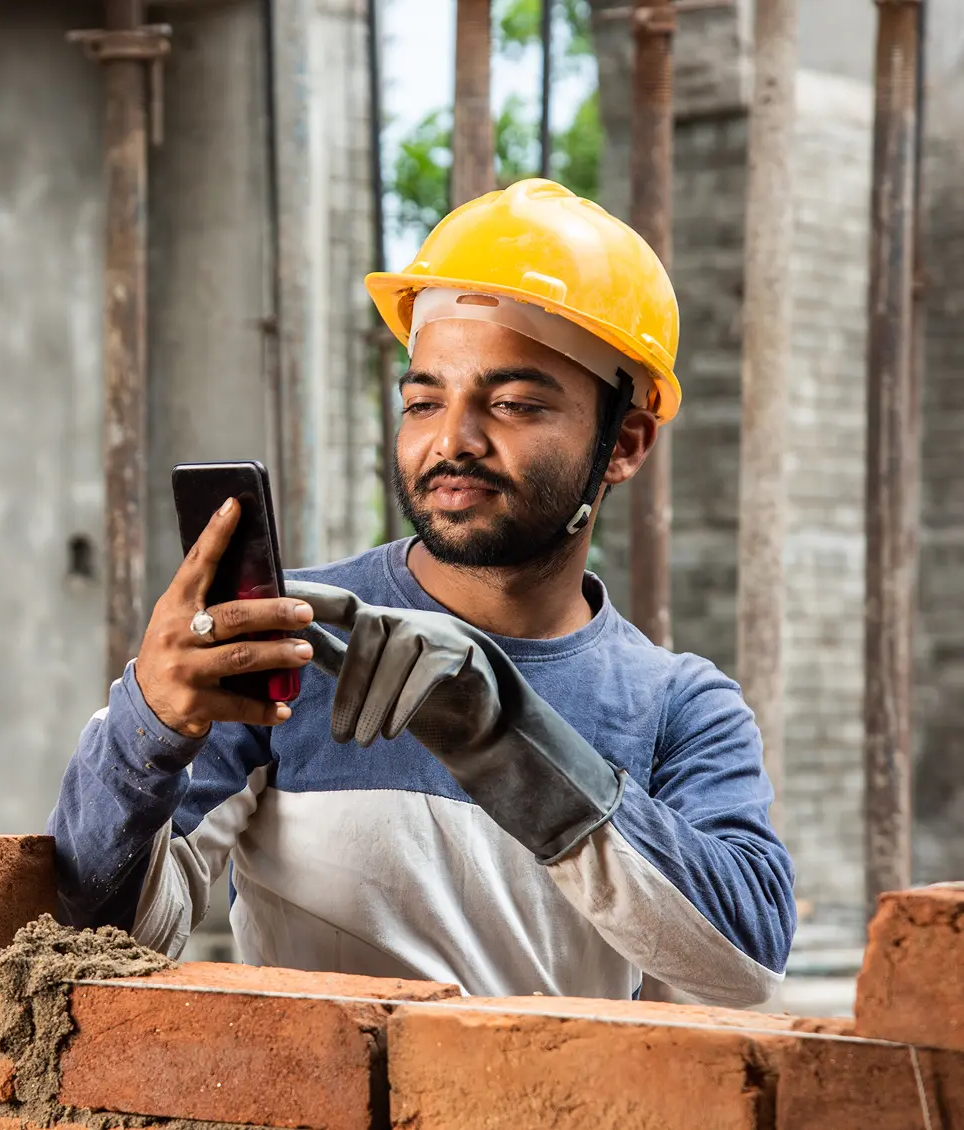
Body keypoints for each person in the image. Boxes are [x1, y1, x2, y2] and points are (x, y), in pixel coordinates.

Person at [47, 179, 795, 1007]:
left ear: (623, 444)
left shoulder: (678, 706)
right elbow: (106, 940)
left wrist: (510, 742)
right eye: (424, 400)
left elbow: (746, 964)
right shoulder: (290, 639)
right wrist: (148, 727)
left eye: (511, 404)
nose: (453, 440)